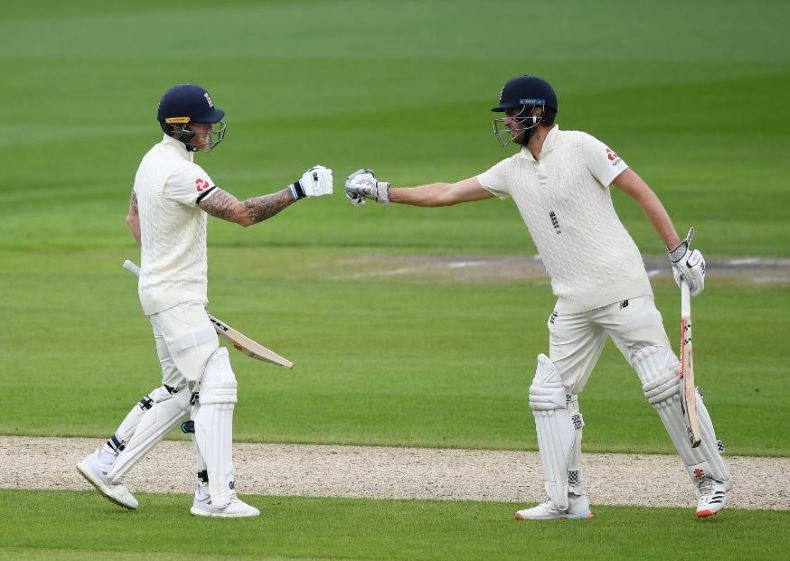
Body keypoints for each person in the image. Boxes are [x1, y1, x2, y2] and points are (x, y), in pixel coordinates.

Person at [344, 75, 730, 520]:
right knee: (550, 394)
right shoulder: (512, 170)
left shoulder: (581, 146)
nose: (507, 121)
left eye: (513, 113)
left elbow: (639, 190)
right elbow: (447, 192)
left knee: (662, 382)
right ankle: (567, 500)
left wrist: (678, 252)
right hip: (572, 302)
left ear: (537, 112)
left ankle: (712, 480)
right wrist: (383, 191)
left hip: (621, 289)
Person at [77, 83, 333, 517]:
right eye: (202, 125)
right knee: (218, 379)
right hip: (176, 296)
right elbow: (242, 214)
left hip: (163, 290)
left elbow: (133, 218)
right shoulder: (181, 173)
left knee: (180, 391)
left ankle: (106, 463)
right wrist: (297, 190)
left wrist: (159, 266)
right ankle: (217, 497)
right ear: (179, 127)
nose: (209, 131)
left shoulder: (151, 159)